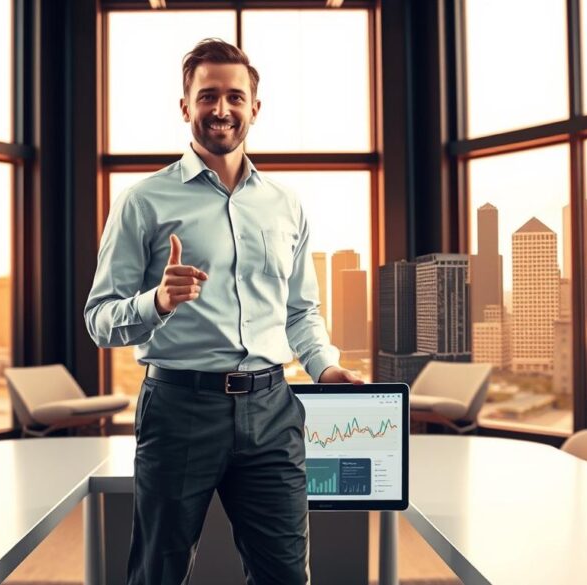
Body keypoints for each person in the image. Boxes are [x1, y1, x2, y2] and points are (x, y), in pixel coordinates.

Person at [84, 38, 362, 585]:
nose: (221, 109)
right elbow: (98, 319)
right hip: (178, 408)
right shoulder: (143, 201)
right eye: (207, 96)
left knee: (285, 574)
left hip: (272, 409)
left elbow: (301, 311)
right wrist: (157, 301)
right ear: (185, 106)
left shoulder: (285, 205)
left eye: (234, 96)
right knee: (157, 572)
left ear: (255, 107)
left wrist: (325, 367)